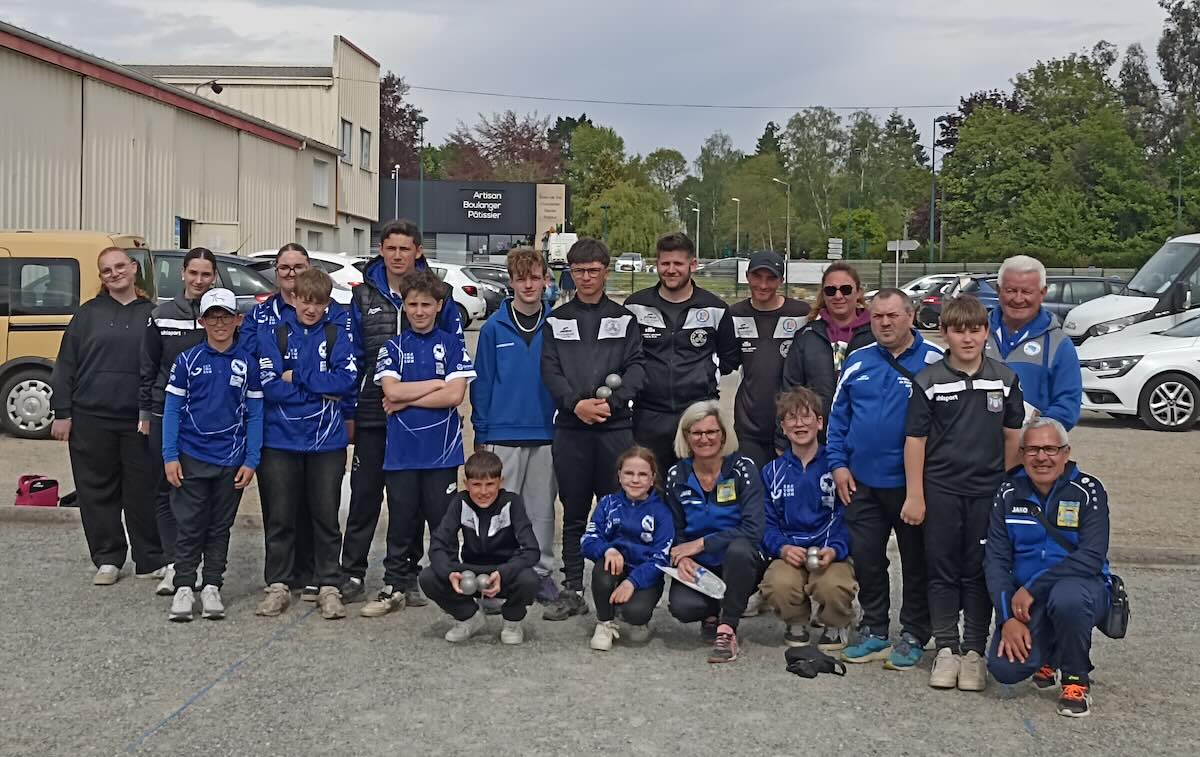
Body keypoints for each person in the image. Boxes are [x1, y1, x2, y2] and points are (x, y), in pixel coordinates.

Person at [903, 295, 1024, 691]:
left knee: (977, 571)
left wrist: (1001, 482)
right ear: (946, 333)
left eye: (975, 330)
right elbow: (915, 441)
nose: (968, 338)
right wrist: (915, 495)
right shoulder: (929, 381)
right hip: (940, 490)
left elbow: (1012, 436)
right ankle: (946, 648)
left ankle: (973, 652)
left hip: (986, 492)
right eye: (959, 330)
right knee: (941, 569)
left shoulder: (1004, 380)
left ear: (986, 332)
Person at [341, 220, 464, 608]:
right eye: (390, 248)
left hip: (415, 419)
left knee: (408, 501)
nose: (397, 256)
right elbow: (354, 359)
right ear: (382, 250)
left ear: (418, 252)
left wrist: (414, 395)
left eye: (405, 249)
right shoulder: (363, 296)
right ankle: (353, 571)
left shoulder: (435, 295)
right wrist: (351, 410)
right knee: (365, 496)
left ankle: (407, 576)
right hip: (375, 412)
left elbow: (452, 377)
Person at [832, 289, 941, 671]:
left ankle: (914, 631)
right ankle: (875, 627)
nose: (885, 323)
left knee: (916, 561)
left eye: (893, 315)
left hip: (911, 486)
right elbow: (837, 419)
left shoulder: (934, 363)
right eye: (878, 317)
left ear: (910, 316)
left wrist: (925, 487)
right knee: (866, 558)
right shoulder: (857, 360)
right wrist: (839, 465)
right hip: (861, 483)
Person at [540, 238, 646, 621]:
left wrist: (610, 404)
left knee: (616, 510)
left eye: (593, 270)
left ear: (606, 270)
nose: (586, 277)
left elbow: (637, 368)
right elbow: (550, 370)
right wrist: (576, 405)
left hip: (615, 428)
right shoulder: (557, 318)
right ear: (570, 272)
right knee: (574, 513)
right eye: (579, 271)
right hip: (571, 429)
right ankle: (572, 589)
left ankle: (617, 585)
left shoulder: (625, 318)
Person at [360, 269, 475, 618]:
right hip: (401, 454)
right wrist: (435, 386)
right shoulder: (393, 347)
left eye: (427, 304)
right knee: (401, 522)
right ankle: (394, 585)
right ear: (404, 307)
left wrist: (410, 398)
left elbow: (455, 395)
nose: (420, 311)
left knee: (443, 524)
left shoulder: (453, 344)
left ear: (439, 306)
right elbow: (391, 390)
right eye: (413, 304)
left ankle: (449, 583)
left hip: (441, 454)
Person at [51, 247, 163, 587]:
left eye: (119, 267)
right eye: (106, 270)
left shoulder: (154, 314)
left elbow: (162, 366)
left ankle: (151, 558)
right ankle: (108, 557)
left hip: (139, 420)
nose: (114, 274)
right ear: (101, 278)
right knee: (96, 490)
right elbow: (66, 364)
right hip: (91, 417)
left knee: (143, 490)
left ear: (133, 269)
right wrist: (63, 412)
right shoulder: (87, 315)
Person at [985, 418, 1111, 718]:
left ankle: (1075, 679)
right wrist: (1006, 619)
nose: (1042, 457)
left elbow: (1091, 556)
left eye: (1050, 449)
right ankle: (1051, 652)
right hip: (1026, 602)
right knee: (1004, 669)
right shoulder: (1007, 493)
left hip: (1082, 589)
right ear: (1022, 453)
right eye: (1032, 450)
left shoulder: (1088, 491)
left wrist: (1031, 588)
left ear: (1065, 453)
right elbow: (996, 560)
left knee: (1067, 599)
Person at [254, 268, 358, 620]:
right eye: (305, 301)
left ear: (328, 304)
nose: (311, 309)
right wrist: (318, 389)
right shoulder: (275, 334)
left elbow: (345, 381)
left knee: (326, 516)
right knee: (281, 516)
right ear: (293, 299)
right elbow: (269, 385)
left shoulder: (337, 334)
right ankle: (278, 585)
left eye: (319, 303)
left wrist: (297, 376)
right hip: (280, 439)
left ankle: (329, 584)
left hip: (326, 442)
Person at [162, 288, 264, 622]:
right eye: (212, 317)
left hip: (231, 461)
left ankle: (212, 585)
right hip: (191, 456)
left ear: (238, 320)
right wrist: (169, 455)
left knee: (220, 527)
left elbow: (255, 415)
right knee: (190, 525)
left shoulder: (247, 364)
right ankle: (184, 586)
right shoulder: (187, 361)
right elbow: (173, 411)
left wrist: (251, 460)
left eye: (226, 317)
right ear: (201, 321)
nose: (219, 324)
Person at [471, 246, 560, 603]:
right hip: (502, 433)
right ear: (511, 281)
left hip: (545, 432)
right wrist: (482, 430)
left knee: (540, 509)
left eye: (534, 278)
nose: (528, 285)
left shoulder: (556, 325)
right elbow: (483, 381)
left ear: (545, 281)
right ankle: (498, 573)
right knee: (499, 508)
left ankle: (541, 573)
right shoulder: (494, 327)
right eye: (521, 278)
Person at [241, 243, 319, 602]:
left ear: (310, 267)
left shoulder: (328, 312)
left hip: (319, 424)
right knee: (280, 506)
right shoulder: (260, 316)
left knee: (314, 505)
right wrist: (281, 380)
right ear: (275, 271)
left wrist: (294, 377)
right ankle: (280, 577)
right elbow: (250, 366)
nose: (291, 273)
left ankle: (312, 572)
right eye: (284, 267)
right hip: (275, 424)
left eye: (298, 266)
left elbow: (337, 372)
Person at [139, 246, 217, 596]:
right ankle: (173, 563)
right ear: (183, 274)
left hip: (208, 416)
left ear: (214, 276)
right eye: (194, 273)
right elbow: (148, 368)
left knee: (200, 491)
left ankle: (196, 561)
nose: (199, 280)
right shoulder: (162, 314)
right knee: (166, 486)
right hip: (164, 412)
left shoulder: (222, 313)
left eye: (206, 274)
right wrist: (144, 414)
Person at [625, 232, 739, 470]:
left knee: (696, 490)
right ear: (656, 264)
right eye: (665, 263)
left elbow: (729, 360)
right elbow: (626, 357)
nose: (671, 269)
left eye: (678, 263)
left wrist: (702, 378)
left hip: (698, 416)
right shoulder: (635, 306)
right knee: (649, 490)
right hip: (648, 416)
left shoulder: (715, 308)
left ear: (693, 264)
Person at [663, 401, 765, 664]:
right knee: (683, 608)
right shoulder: (676, 475)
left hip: (741, 561)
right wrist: (682, 558)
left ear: (723, 435)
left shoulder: (743, 469)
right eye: (696, 433)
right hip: (700, 566)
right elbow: (674, 530)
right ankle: (710, 613)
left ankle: (727, 629)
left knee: (740, 549)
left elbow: (753, 530)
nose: (704, 439)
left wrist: (701, 544)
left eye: (711, 432)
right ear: (686, 436)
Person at [759, 387, 856, 650]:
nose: (799, 424)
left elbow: (851, 518)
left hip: (828, 552)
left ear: (820, 422)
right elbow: (764, 523)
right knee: (777, 584)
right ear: (783, 426)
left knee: (833, 586)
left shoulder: (837, 467)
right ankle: (796, 620)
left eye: (806, 416)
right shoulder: (771, 472)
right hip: (791, 552)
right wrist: (781, 547)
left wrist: (836, 549)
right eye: (791, 418)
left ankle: (837, 622)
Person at [419, 450, 541, 645]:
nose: (483, 492)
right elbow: (437, 545)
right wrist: (450, 573)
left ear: (500, 482)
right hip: (470, 573)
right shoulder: (460, 502)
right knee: (428, 577)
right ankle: (469, 616)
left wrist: (505, 571)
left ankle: (512, 621)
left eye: (490, 484)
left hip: (503, 573)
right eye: (476, 485)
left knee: (530, 579)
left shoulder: (512, 502)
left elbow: (532, 550)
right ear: (466, 484)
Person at [581, 446, 675, 651]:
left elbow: (661, 558)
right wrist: (607, 550)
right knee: (602, 569)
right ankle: (605, 623)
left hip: (644, 575)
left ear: (652, 479)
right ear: (619, 476)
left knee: (636, 615)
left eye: (642, 474)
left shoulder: (662, 512)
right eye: (629, 473)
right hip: (616, 567)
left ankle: (637, 616)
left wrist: (632, 582)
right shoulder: (607, 503)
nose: (635, 480)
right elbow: (588, 540)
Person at [727, 250, 811, 467]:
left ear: (781, 280)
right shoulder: (734, 315)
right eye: (757, 277)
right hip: (749, 427)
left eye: (771, 278)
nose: (763, 285)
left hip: (793, 425)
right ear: (747, 276)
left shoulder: (802, 313)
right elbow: (727, 362)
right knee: (754, 493)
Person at [984, 255, 1082, 430]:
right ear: (999, 290)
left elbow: (1067, 408)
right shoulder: (976, 334)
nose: (1018, 299)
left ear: (1043, 293)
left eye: (1027, 292)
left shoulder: (1059, 345)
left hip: (1027, 451)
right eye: (1011, 290)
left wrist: (1030, 434)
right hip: (976, 449)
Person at [780, 262, 873, 422]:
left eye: (846, 289)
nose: (838, 296)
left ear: (858, 292)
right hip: (817, 437)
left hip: (865, 434)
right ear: (823, 295)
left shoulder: (876, 335)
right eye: (831, 290)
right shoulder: (806, 336)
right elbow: (790, 391)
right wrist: (783, 441)